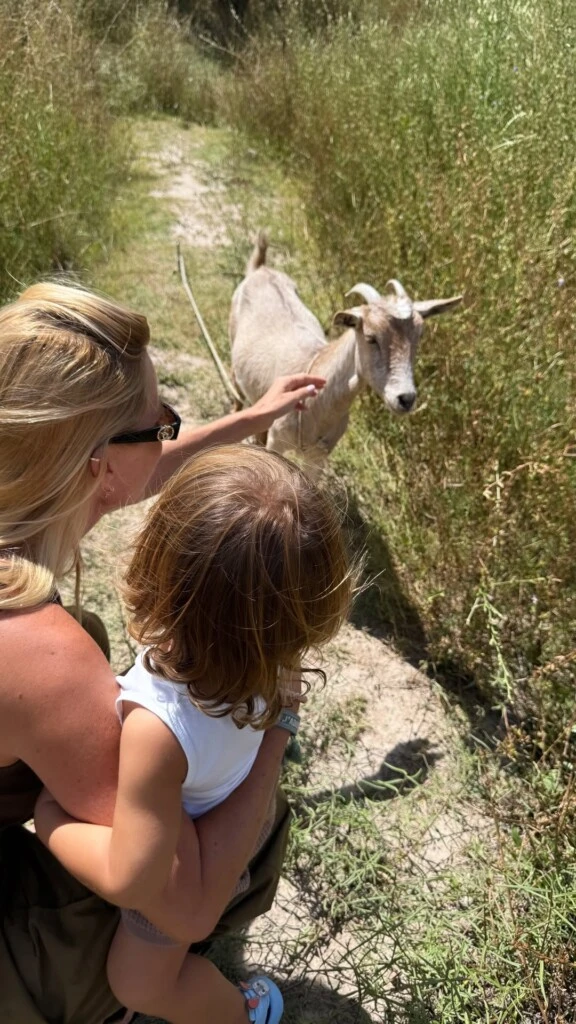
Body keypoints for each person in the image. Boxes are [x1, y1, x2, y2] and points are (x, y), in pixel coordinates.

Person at [0, 282, 326, 1024]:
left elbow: (139, 463)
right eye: (158, 424)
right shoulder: (42, 657)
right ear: (97, 469)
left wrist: (248, 420)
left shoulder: (19, 472)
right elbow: (183, 902)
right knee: (221, 836)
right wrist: (278, 732)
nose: (169, 434)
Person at [36, 444, 356, 1024]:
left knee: (138, 986)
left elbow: (131, 874)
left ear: (160, 562)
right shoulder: (271, 659)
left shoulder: (157, 727)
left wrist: (50, 820)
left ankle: (239, 1012)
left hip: (196, 854)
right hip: (239, 809)